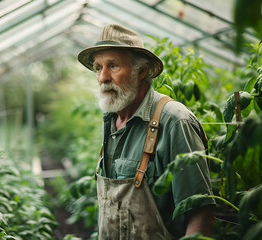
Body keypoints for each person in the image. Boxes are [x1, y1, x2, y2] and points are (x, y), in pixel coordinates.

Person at [77, 24, 216, 239]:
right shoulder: (113, 120)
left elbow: (200, 210)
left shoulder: (174, 121)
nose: (103, 77)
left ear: (140, 71)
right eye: (98, 67)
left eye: (113, 66)